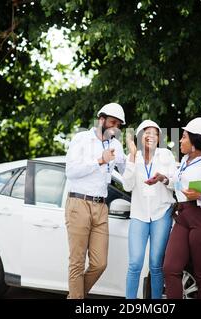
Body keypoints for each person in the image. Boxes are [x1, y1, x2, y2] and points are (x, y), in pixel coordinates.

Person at [152, 117, 201, 299]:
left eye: (184, 137)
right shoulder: (185, 161)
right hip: (184, 217)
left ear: (195, 141)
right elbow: (179, 185)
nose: (180, 140)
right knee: (170, 268)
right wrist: (164, 179)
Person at [64, 102, 127, 299]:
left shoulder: (116, 145)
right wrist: (100, 160)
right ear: (101, 120)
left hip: (101, 207)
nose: (115, 128)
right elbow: (71, 172)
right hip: (78, 203)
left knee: (100, 263)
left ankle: (74, 296)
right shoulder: (81, 139)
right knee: (77, 261)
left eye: (119, 125)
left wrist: (133, 158)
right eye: (112, 122)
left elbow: (127, 175)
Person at [122, 120, 177, 299]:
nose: (151, 136)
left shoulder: (166, 155)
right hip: (139, 215)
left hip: (161, 214)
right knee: (135, 264)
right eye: (147, 132)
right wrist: (131, 156)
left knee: (155, 264)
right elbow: (127, 186)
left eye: (155, 133)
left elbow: (176, 184)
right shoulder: (133, 156)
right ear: (139, 136)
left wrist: (163, 178)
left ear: (159, 138)